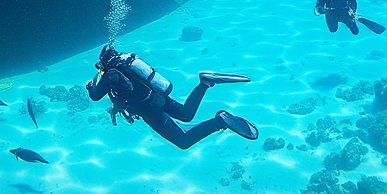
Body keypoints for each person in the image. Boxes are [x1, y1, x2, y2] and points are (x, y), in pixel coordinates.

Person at [86, 44, 258, 149]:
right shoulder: (126, 64)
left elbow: (95, 96)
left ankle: (220, 121)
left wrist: (90, 86)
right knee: (186, 114)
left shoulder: (112, 74)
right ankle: (205, 82)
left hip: (150, 111)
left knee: (183, 141)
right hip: (158, 97)